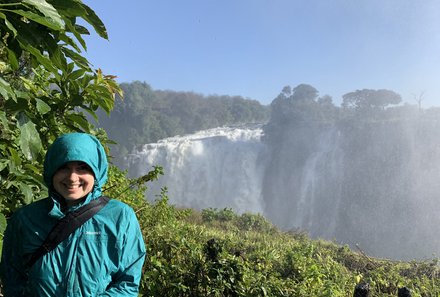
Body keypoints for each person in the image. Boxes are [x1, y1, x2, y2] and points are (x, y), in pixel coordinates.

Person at [0, 132, 146, 296]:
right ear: (51, 170)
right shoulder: (26, 219)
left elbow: (127, 284)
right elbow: (12, 278)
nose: (72, 178)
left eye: (82, 168)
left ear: (96, 172)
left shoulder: (120, 217)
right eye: (63, 167)